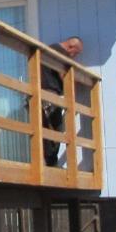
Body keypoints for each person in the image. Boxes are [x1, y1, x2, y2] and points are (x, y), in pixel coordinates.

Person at [42, 36, 83, 167]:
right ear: (71, 47)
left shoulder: (49, 49)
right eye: (76, 53)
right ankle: (49, 166)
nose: (74, 56)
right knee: (55, 133)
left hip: (39, 95)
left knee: (43, 132)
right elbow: (64, 75)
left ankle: (44, 164)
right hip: (50, 97)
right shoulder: (60, 52)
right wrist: (77, 82)